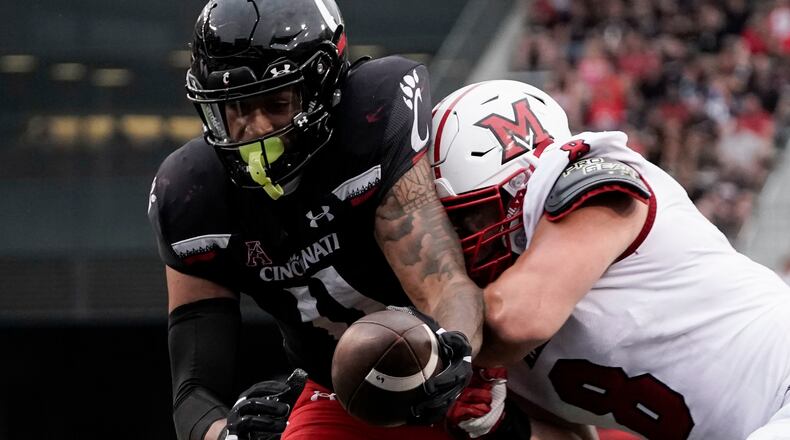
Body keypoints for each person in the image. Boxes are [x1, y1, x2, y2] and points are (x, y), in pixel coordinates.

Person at [146, 1, 486, 439]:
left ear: (322, 85)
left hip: (434, 365)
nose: (254, 130)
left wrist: (455, 350)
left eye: (276, 102)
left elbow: (447, 284)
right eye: (236, 108)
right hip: (335, 393)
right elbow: (193, 394)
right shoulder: (190, 194)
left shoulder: (370, 117)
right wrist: (227, 435)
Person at [429, 80, 790, 440]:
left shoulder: (595, 183)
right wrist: (499, 427)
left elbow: (518, 320)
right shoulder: (494, 325)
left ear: (523, 185)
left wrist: (442, 351)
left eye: (473, 217)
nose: (461, 236)